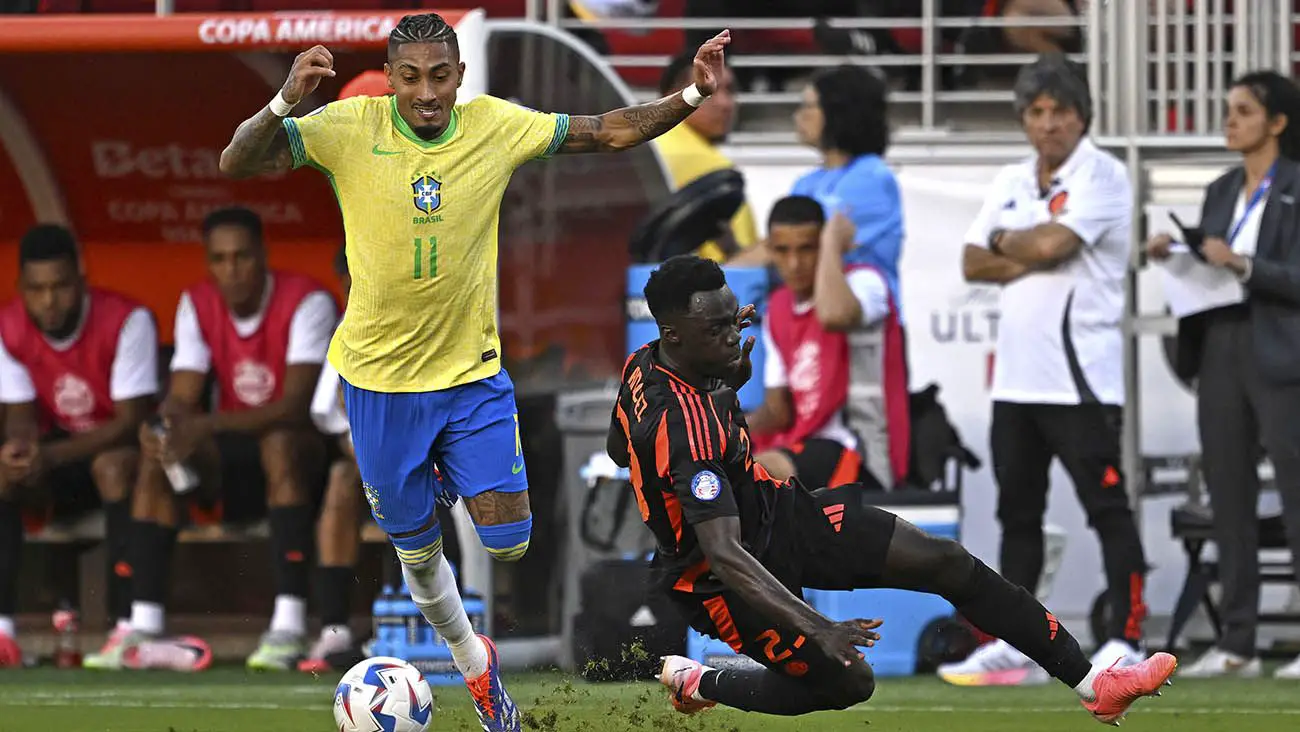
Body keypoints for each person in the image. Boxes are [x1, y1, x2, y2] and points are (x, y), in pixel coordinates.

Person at [216, 12, 732, 730]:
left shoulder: (494, 125)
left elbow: (608, 129)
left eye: (439, 76)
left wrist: (689, 96)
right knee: (420, 556)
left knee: (509, 538)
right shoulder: (346, 126)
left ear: (459, 76)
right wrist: (282, 102)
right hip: (379, 384)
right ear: (392, 79)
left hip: (470, 378)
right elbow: (237, 163)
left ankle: (442, 476)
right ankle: (476, 667)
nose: (426, 92)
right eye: (410, 78)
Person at [607, 254, 1175, 722]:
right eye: (718, 329)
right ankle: (702, 681)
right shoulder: (680, 427)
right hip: (716, 578)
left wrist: (725, 384)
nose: (735, 336)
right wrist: (818, 625)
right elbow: (725, 555)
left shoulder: (646, 363)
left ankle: (1096, 682)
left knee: (944, 561)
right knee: (849, 681)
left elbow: (618, 447)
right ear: (673, 333)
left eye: (736, 321)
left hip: (779, 515)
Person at [947, 53, 1149, 685]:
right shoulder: (1011, 177)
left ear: (1081, 116)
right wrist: (1028, 244)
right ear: (1023, 119)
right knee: (1017, 516)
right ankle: (1019, 644)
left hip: (1081, 381)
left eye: (1060, 111)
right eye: (1036, 112)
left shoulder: (1105, 175)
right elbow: (972, 263)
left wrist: (1018, 241)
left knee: (1107, 509)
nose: (1049, 123)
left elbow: (1054, 246)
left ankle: (1127, 636)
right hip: (1016, 382)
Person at [84, 207, 336, 672]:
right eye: (219, 259)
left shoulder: (306, 300)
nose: (231, 269)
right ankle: (143, 624)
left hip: (305, 464)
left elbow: (296, 406)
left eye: (241, 256)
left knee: (278, 442)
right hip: (234, 460)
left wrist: (205, 424)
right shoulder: (197, 303)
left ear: (262, 256)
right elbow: (183, 395)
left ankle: (288, 625)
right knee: (158, 452)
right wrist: (165, 424)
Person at [1147, 71, 1300, 680]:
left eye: (1243, 110)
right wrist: (1175, 252)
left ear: (1278, 122)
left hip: (1282, 349)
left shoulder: (1296, 186)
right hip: (1220, 348)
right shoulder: (1218, 189)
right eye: (1228, 109)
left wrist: (1243, 263)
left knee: (1295, 495)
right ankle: (1238, 639)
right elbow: (1210, 261)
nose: (1230, 120)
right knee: (1228, 496)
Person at [0, 224, 157, 657]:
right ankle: (3, 631)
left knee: (114, 466)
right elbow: (19, 415)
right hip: (57, 468)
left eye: (60, 286)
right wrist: (20, 452)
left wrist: (47, 455)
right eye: (37, 289)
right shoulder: (9, 327)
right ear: (21, 288)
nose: (49, 300)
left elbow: (130, 422)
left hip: (117, 464)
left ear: (81, 281)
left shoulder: (127, 319)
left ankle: (128, 626)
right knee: (3, 473)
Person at [746, 195, 908, 491]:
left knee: (760, 470)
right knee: (717, 465)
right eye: (782, 251)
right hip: (805, 448)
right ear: (769, 250)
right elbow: (778, 411)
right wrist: (721, 431)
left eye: (807, 249)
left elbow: (834, 315)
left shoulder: (864, 283)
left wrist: (833, 243)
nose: (794, 264)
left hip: (859, 451)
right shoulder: (778, 308)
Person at [791, 64, 905, 303]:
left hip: (862, 324)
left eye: (808, 106)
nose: (797, 116)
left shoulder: (872, 178)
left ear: (837, 111)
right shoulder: (806, 182)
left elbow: (802, 243)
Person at [651, 51, 760, 264]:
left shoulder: (645, 147)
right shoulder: (711, 167)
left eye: (730, 91)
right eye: (709, 92)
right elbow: (742, 264)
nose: (726, 104)